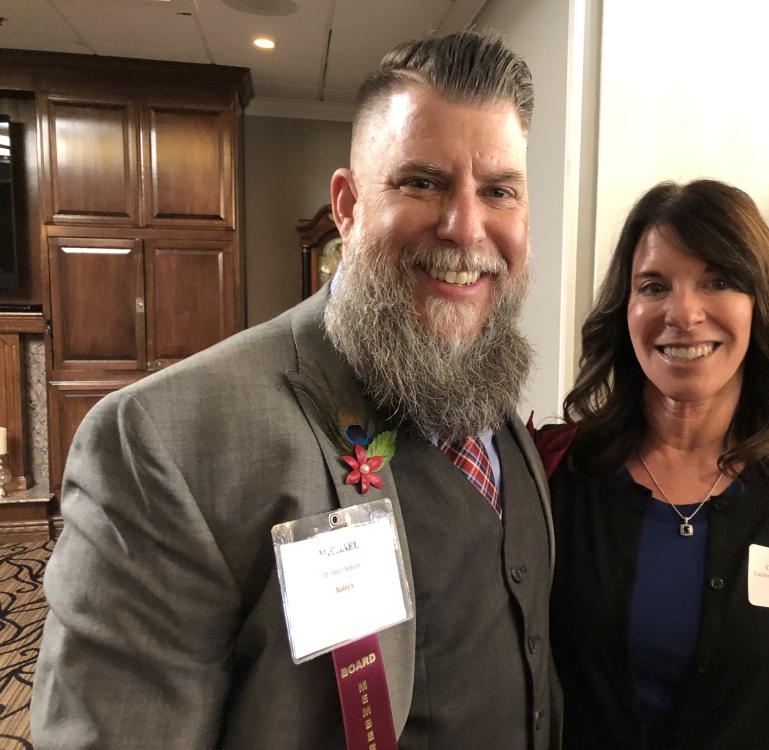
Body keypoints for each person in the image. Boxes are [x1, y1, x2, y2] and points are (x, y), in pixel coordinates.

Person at [32, 31, 559, 749]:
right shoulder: (167, 442)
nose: (466, 227)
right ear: (345, 206)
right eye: (422, 182)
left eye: (498, 191)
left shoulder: (490, 386)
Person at [548, 180, 769, 749]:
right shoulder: (560, 483)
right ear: (624, 311)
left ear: (759, 303)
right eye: (654, 286)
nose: (683, 312)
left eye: (719, 281)